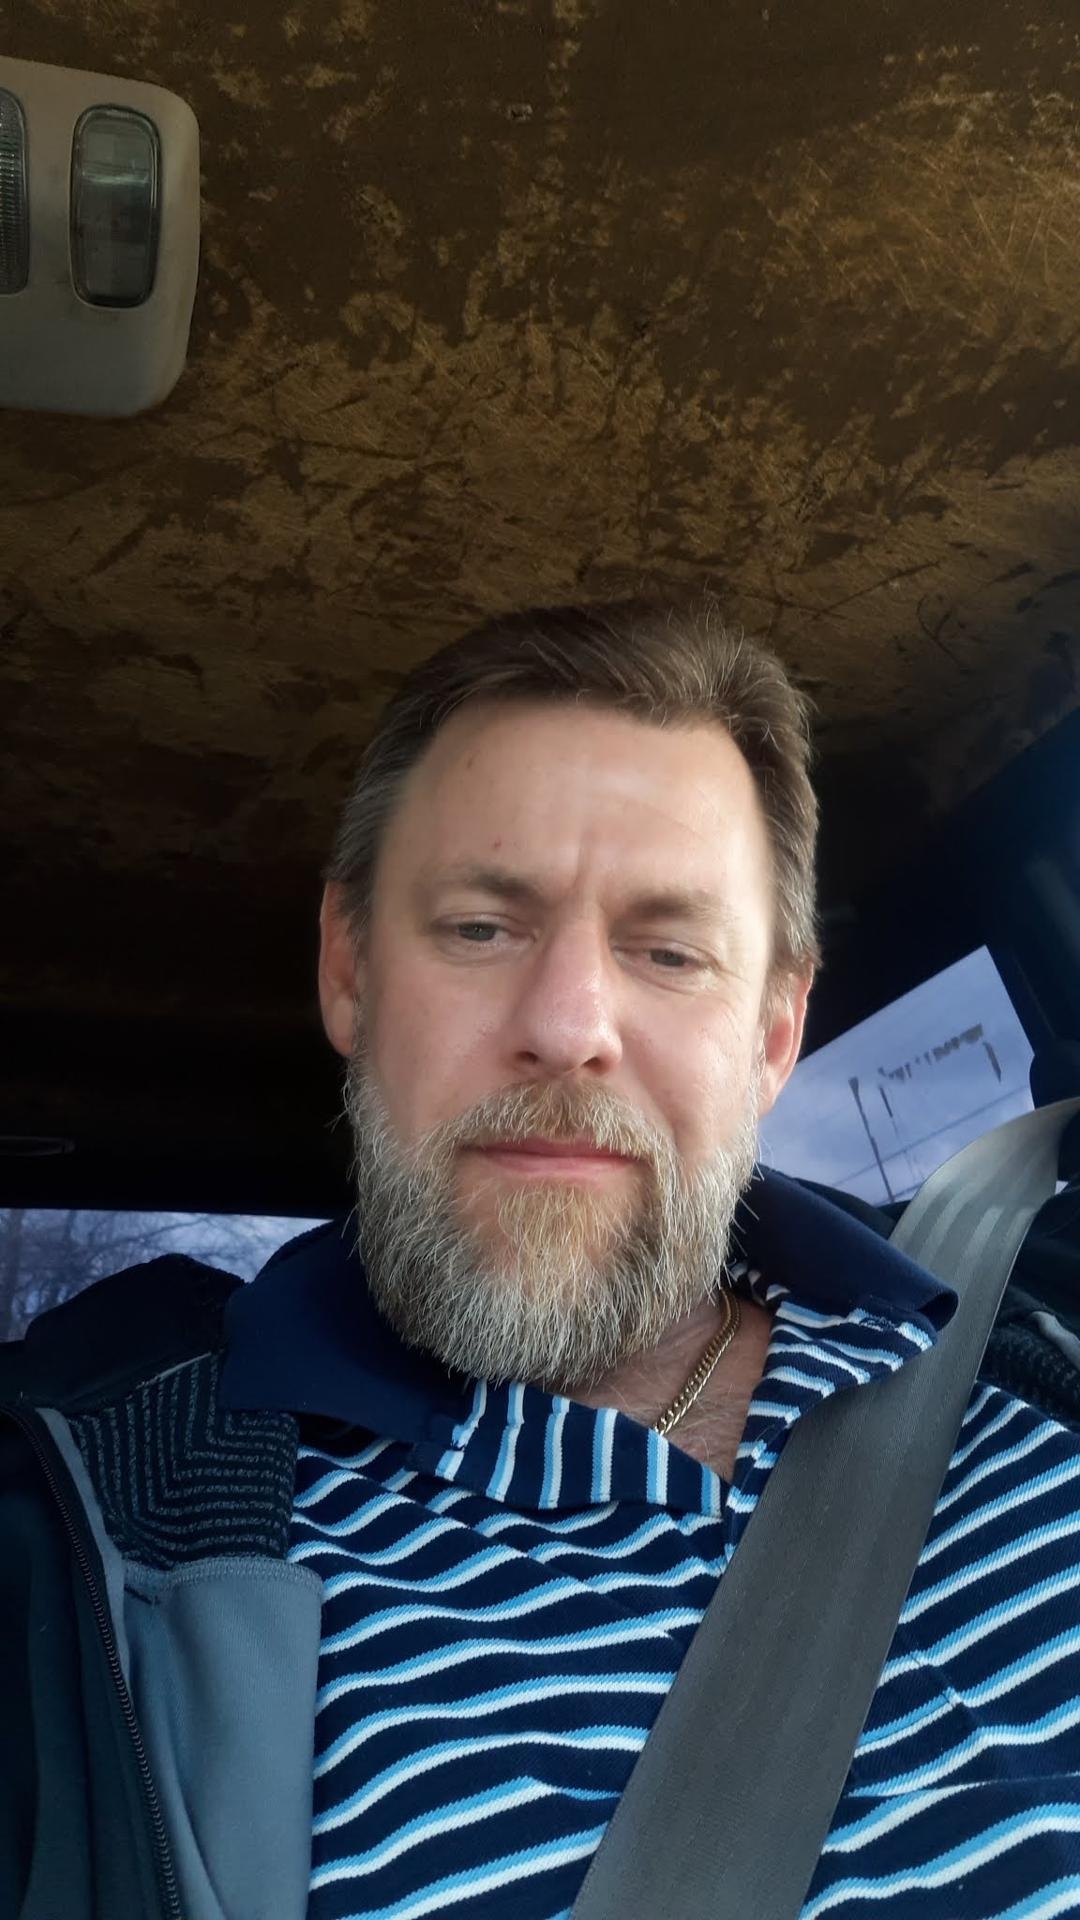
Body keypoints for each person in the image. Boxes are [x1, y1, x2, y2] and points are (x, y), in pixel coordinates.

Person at [3, 595, 1080, 1920]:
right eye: (481, 928)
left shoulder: (1037, 1343)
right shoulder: (103, 1544)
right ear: (348, 972)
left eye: (670, 950)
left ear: (773, 1035)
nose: (569, 1025)